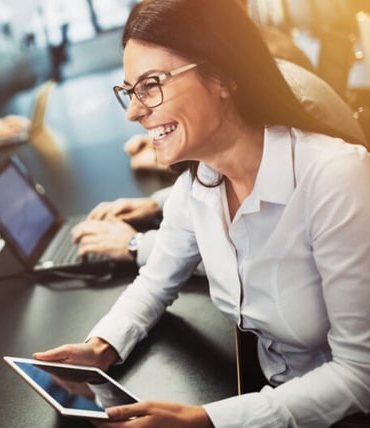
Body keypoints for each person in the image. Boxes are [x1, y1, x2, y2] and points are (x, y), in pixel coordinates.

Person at [35, 1, 370, 427]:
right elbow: (154, 285)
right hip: (271, 398)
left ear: (222, 77)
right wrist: (100, 347)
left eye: (151, 85)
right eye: (129, 91)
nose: (134, 111)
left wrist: (206, 420)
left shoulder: (334, 177)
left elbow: (360, 375)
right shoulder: (200, 183)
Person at [74, 58, 370, 267]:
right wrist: (159, 202)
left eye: (153, 82)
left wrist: (136, 245)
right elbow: (235, 168)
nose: (134, 112)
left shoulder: (291, 108)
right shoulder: (258, 79)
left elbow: (256, 259)